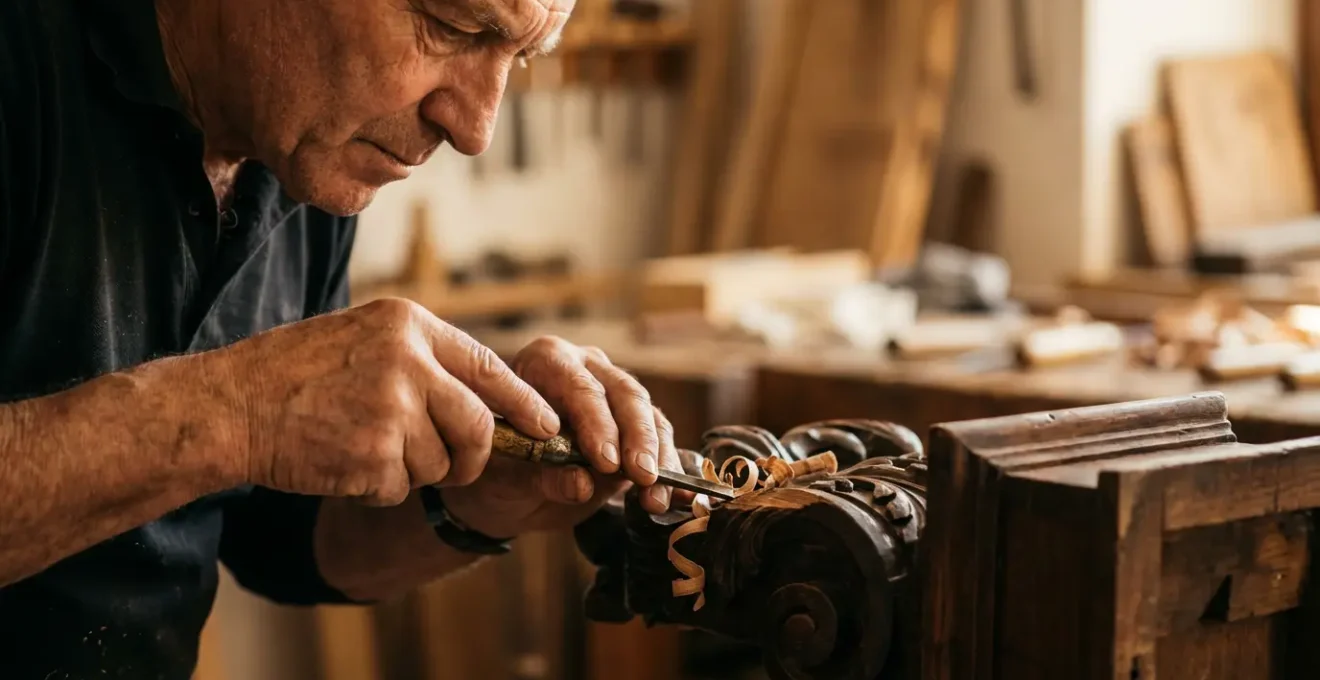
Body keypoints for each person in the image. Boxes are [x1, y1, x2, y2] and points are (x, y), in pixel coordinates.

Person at [0, 0, 687, 677]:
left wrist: (470, 496)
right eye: (450, 28)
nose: (476, 127)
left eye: (520, 55)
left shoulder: (301, 150)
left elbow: (282, 538)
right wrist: (239, 412)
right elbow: (242, 427)